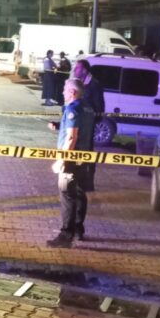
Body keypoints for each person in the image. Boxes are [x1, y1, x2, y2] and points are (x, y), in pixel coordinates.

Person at [47, 79, 95, 248]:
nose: (62, 92)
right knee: (80, 193)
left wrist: (61, 160)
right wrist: (60, 126)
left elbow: (72, 137)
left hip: (71, 159)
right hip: (85, 158)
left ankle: (66, 235)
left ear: (73, 92)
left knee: (67, 195)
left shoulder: (72, 109)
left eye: (65, 90)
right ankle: (78, 229)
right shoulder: (88, 108)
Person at [73, 59, 105, 193]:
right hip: (78, 123)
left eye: (78, 68)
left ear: (85, 70)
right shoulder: (79, 83)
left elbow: (99, 108)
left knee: (87, 153)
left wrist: (90, 122)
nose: (75, 70)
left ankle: (88, 182)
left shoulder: (94, 85)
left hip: (87, 125)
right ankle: (77, 179)